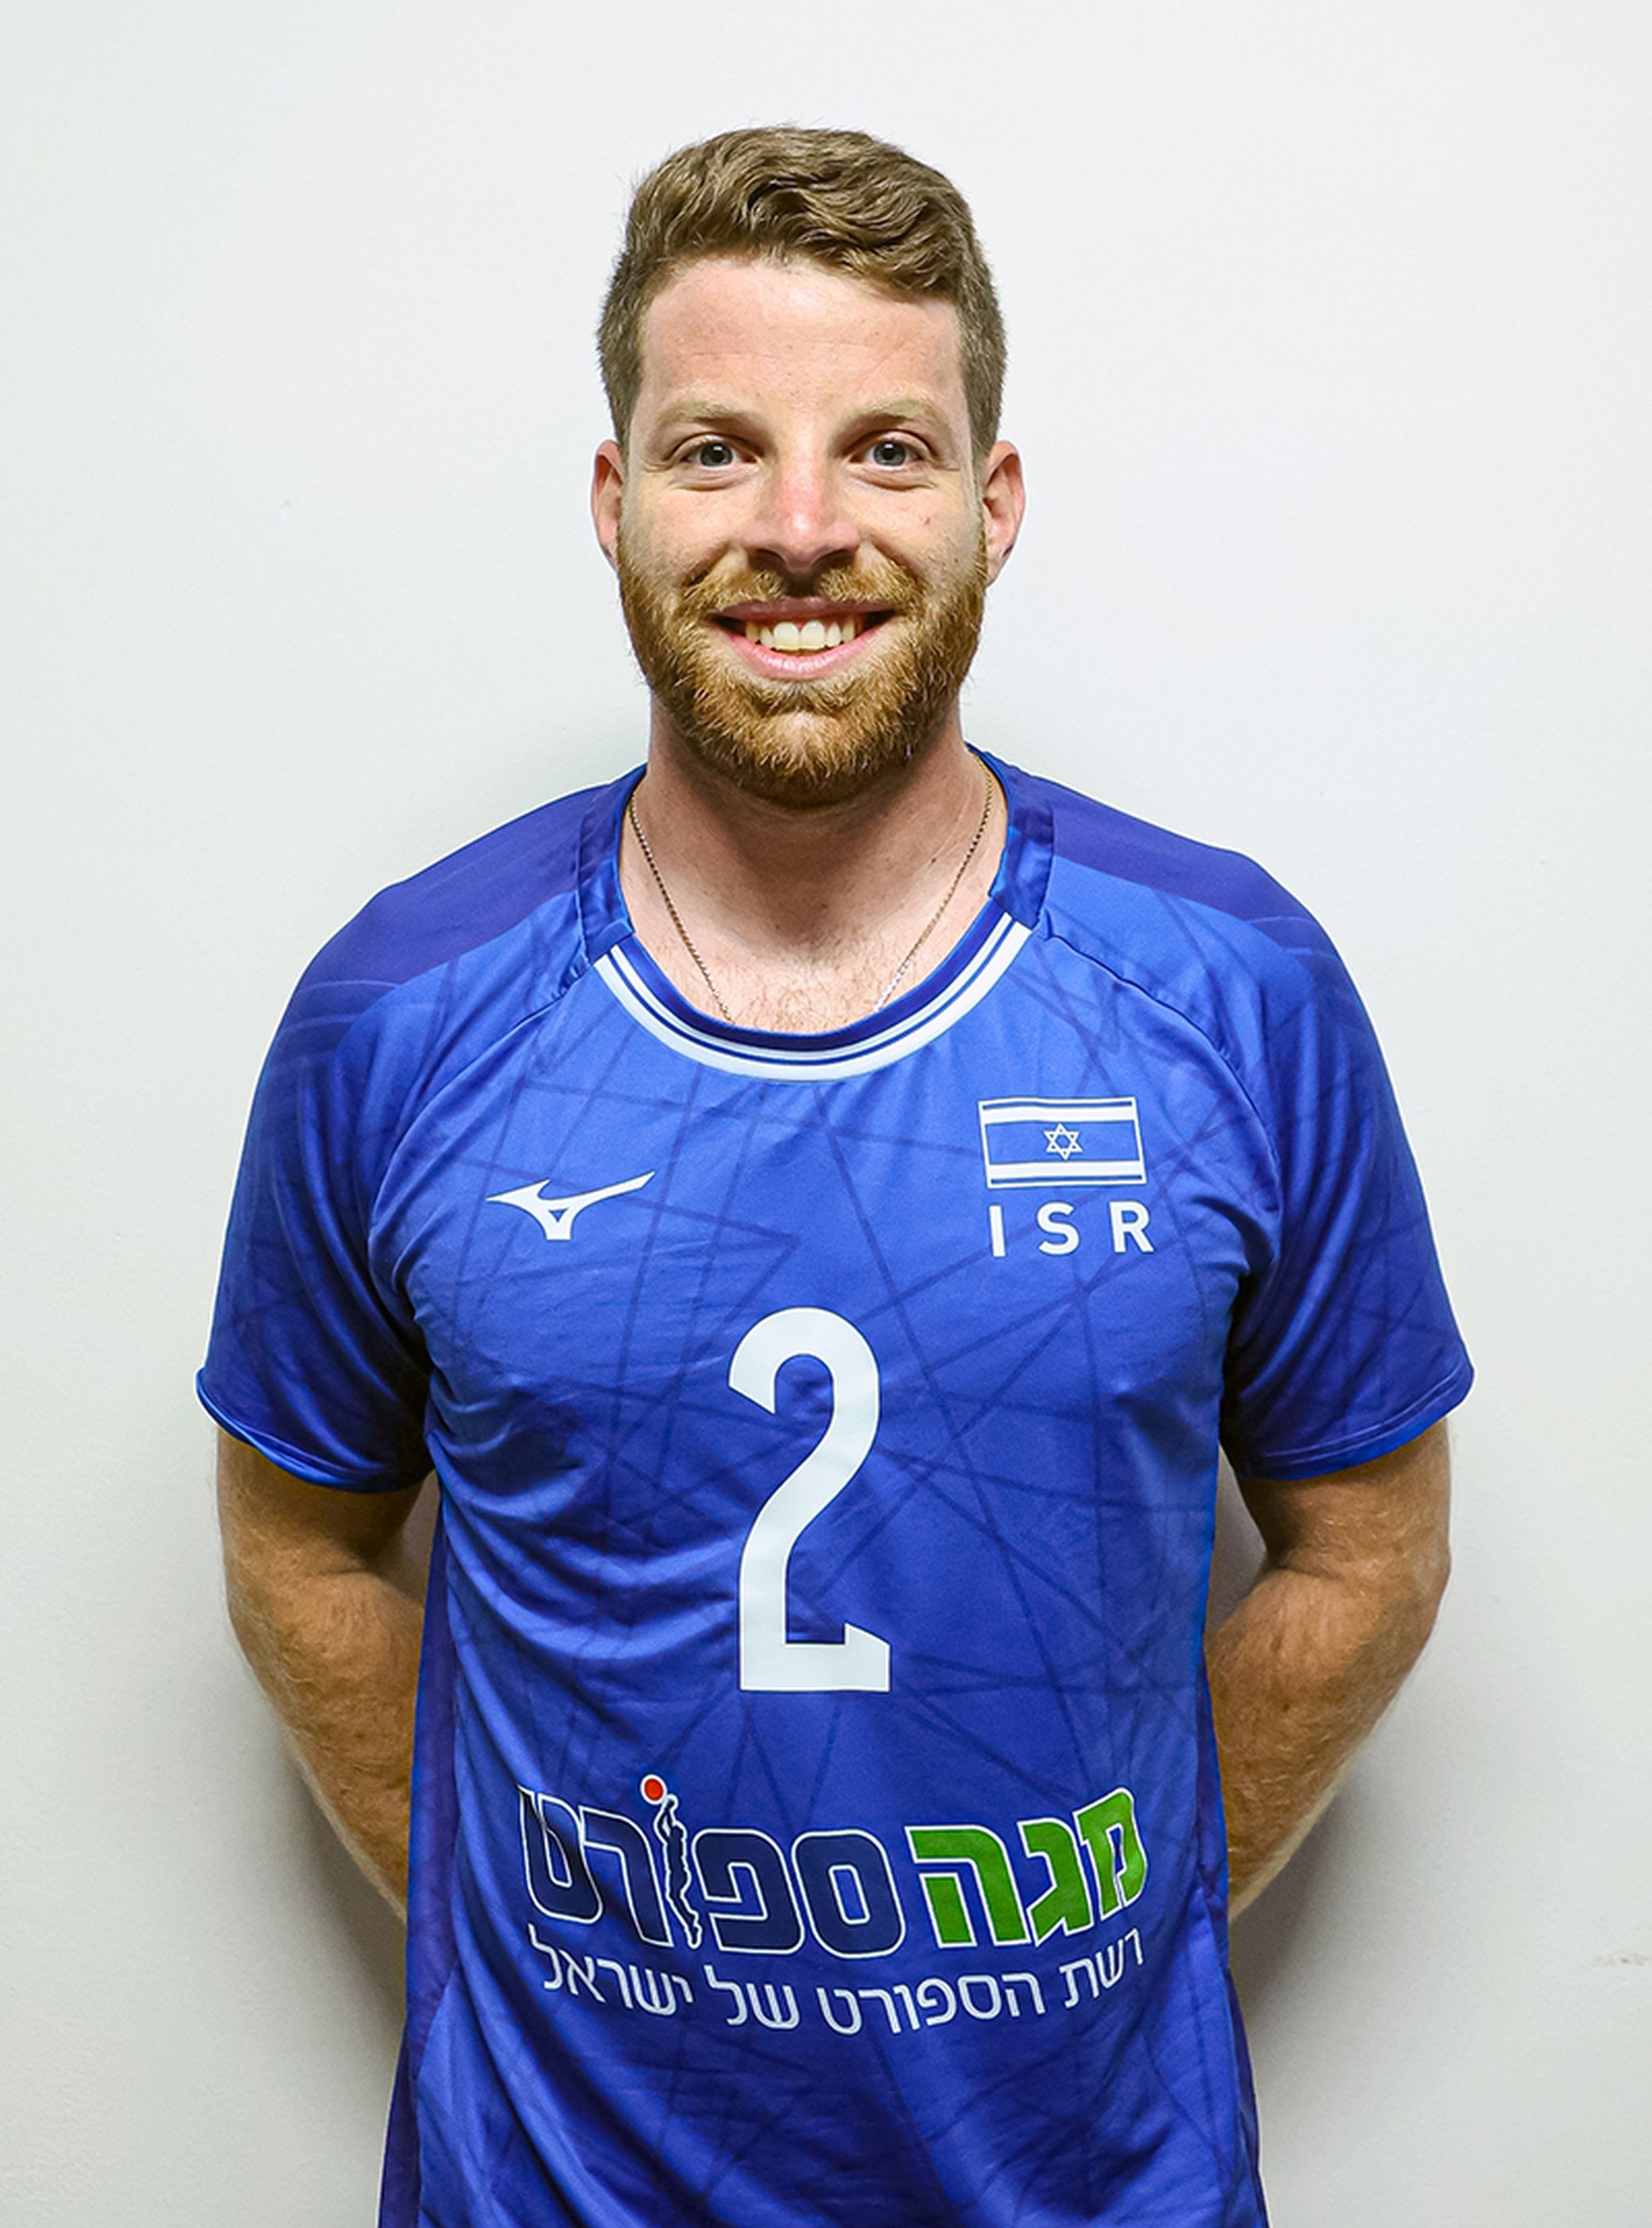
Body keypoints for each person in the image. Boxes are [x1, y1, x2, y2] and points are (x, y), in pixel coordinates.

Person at [203, 126, 1471, 2228]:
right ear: (615, 500)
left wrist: (1110, 1941)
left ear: (993, 501)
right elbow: (296, 1540)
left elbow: (1371, 1548)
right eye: (717, 451)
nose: (799, 530)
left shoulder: (1234, 991)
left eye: (885, 449)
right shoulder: (398, 1009)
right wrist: (520, 1945)